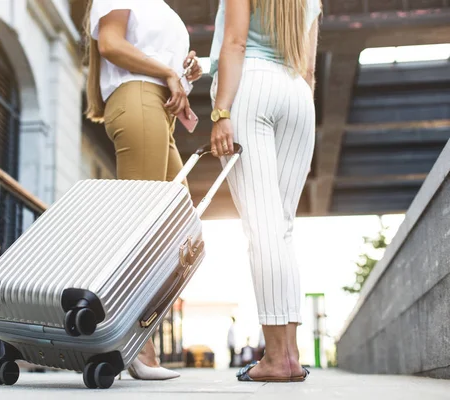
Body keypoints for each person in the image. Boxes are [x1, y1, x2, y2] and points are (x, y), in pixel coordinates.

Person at [83, 0, 203, 380]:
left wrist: (186, 72)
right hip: (137, 99)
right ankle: (132, 344)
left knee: (175, 231)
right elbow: (111, 46)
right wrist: (168, 71)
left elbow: (146, 54)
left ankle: (133, 338)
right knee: (143, 231)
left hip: (157, 111)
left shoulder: (160, 9)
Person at [208, 0, 321, 382]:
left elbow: (236, 43)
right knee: (282, 229)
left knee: (264, 228)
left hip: (251, 85)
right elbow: (308, 68)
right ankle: (289, 355)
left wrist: (221, 111)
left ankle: (276, 358)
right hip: (298, 95)